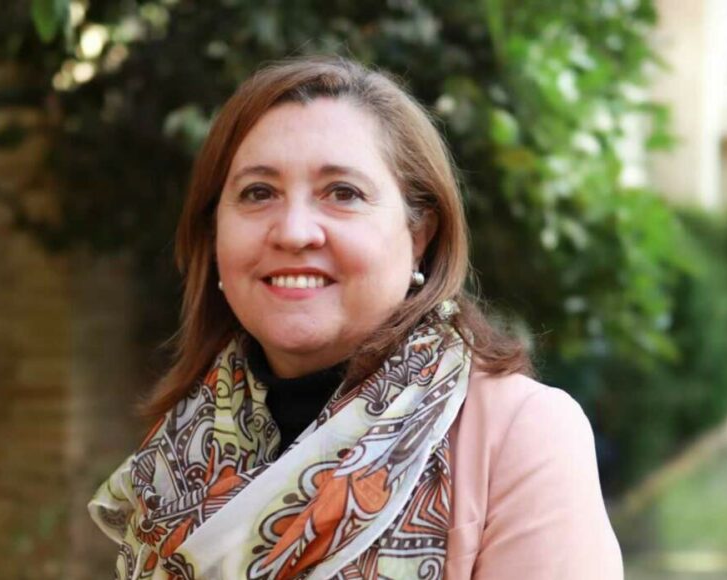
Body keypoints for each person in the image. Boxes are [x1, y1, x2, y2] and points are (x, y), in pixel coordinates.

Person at [88, 56, 623, 580]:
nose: (294, 231)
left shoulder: (519, 434)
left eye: (342, 193)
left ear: (419, 235)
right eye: (258, 193)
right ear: (215, 235)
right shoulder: (177, 452)